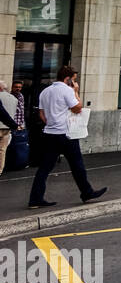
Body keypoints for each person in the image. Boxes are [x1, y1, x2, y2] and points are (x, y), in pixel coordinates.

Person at [28, 66, 107, 208]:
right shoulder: (67, 90)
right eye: (74, 79)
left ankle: (35, 199)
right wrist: (76, 91)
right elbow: (78, 108)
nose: (74, 82)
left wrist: (52, 123)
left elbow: (42, 114)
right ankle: (87, 192)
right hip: (66, 134)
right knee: (77, 165)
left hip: (49, 134)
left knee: (44, 168)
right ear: (68, 79)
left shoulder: (45, 91)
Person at [0, 81, 19, 175]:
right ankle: (0, 170)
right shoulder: (14, 99)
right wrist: (15, 125)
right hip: (7, 128)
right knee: (2, 150)